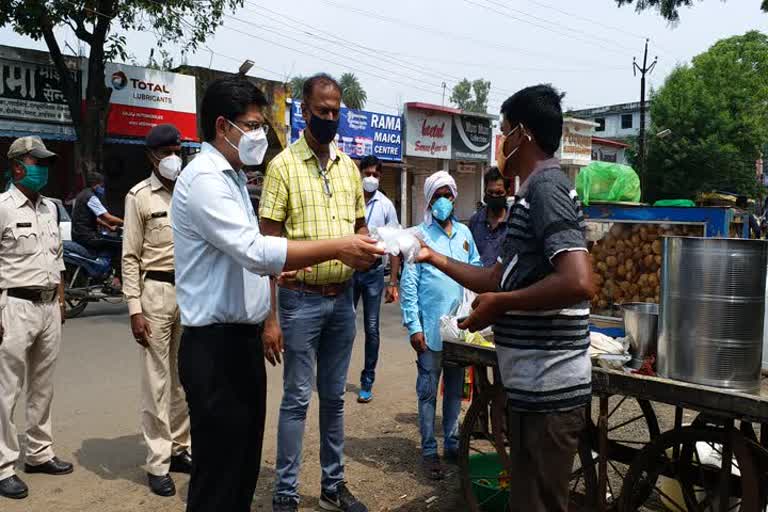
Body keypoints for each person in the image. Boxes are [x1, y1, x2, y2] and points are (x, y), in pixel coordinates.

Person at [171, 77, 382, 512]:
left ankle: (330, 484)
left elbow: (253, 257)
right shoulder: (206, 180)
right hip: (216, 345)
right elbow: (256, 250)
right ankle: (287, 491)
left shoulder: (231, 177)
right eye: (251, 126)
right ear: (222, 125)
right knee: (219, 474)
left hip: (242, 338)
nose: (258, 135)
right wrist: (338, 246)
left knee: (242, 466)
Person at [414, 85, 596, 512]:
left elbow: (579, 280)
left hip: (551, 391)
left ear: (523, 136)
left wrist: (503, 305)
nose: (500, 143)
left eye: (504, 131)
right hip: (533, 391)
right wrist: (433, 257)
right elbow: (496, 277)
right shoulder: (529, 196)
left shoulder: (546, 189)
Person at [259, 73, 370, 512]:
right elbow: (267, 249)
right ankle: (286, 492)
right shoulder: (282, 167)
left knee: (334, 400)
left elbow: (360, 229)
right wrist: (270, 319)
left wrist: (372, 246)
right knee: (296, 400)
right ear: (304, 112)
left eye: (335, 110)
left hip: (342, 299)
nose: (330, 117)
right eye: (321, 110)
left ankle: (332, 486)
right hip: (299, 300)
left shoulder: (349, 169)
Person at [0, 136, 72, 500]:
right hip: (14, 305)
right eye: (36, 162)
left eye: (45, 163)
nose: (42, 169)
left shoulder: (50, 209)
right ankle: (3, 465)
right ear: (17, 165)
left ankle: (39, 454)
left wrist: (60, 301)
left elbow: (56, 259)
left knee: (43, 385)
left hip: (47, 306)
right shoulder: (2, 207)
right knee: (6, 389)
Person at [122, 124, 191, 498]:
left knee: (185, 377)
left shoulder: (189, 192)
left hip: (190, 293)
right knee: (157, 380)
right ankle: (158, 461)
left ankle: (181, 448)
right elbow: (130, 257)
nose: (172, 157)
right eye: (165, 151)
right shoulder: (139, 197)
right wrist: (135, 309)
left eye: (177, 149)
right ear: (151, 156)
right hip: (156, 292)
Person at [400, 171, 480, 480]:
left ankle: (452, 443)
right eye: (437, 196)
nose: (443, 201)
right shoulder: (418, 236)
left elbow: (475, 270)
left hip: (458, 330)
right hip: (430, 330)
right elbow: (409, 285)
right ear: (429, 200)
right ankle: (429, 451)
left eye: (447, 195)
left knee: (455, 390)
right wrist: (413, 326)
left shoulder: (464, 234)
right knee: (427, 391)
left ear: (454, 197)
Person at [354, 154, 400, 404]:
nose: (370, 178)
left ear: (380, 177)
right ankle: (335, 376)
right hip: (348, 271)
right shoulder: (349, 198)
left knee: (371, 328)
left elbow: (394, 244)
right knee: (342, 326)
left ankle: (367, 380)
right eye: (367, 173)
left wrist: (393, 282)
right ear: (360, 172)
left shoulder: (386, 206)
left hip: (373, 273)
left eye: (375, 174)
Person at [71, 171, 123, 287]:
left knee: (110, 241)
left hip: (79, 235)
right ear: (97, 184)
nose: (103, 189)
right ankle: (117, 279)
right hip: (88, 236)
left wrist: (110, 227)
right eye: (102, 185)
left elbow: (95, 218)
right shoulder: (91, 197)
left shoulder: (81, 195)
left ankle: (107, 272)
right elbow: (106, 217)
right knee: (121, 244)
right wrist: (127, 222)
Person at [469, 167, 511, 267]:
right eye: (490, 192)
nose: (494, 196)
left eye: (499, 193)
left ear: (508, 193)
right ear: (485, 192)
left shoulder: (515, 223)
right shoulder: (475, 221)